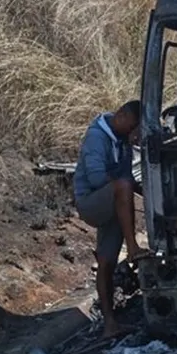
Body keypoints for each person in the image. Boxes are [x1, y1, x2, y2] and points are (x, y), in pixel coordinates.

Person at [74, 100, 151, 338]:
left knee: (106, 262)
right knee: (123, 187)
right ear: (123, 117)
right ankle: (133, 248)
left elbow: (127, 180)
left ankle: (110, 325)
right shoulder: (97, 137)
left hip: (115, 201)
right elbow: (97, 179)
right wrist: (126, 189)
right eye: (136, 128)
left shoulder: (123, 140)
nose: (137, 135)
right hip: (91, 202)